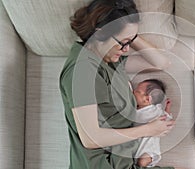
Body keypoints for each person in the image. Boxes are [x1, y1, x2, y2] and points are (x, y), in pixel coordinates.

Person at [59, 0, 175, 169]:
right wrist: (149, 130)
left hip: (123, 158)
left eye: (130, 42)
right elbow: (90, 138)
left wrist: (129, 34)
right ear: (100, 33)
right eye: (123, 43)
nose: (127, 49)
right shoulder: (82, 72)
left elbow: (162, 63)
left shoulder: (109, 58)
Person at [133, 79, 173, 167]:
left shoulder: (153, 111)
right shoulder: (135, 109)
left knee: (142, 161)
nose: (133, 92)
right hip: (137, 144)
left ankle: (148, 162)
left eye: (137, 91)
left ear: (147, 99)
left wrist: (167, 109)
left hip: (149, 147)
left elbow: (166, 121)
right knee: (137, 160)